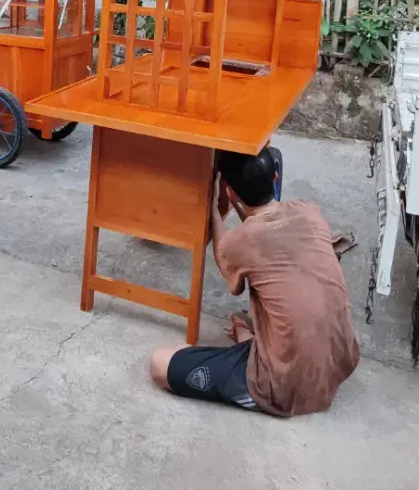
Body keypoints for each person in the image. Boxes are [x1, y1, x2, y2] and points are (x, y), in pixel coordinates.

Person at [150, 147, 360, 417]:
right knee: (251, 318)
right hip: (339, 362)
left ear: (230, 193)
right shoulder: (309, 212)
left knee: (161, 363)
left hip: (284, 385)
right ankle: (248, 338)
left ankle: (257, 365)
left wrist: (215, 211)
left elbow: (228, 267)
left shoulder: (241, 242)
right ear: (275, 178)